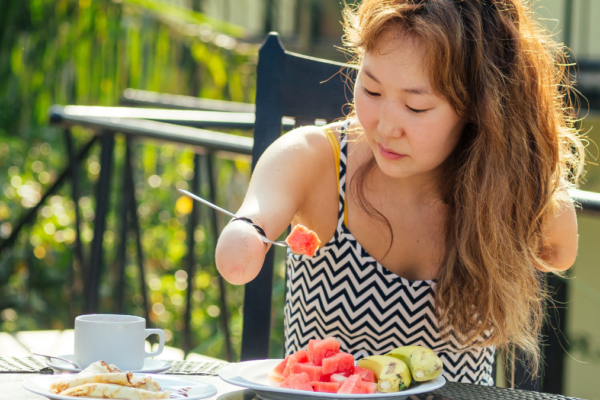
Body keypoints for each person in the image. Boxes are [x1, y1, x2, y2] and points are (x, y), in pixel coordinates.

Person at [215, 0, 585, 385]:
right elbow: (257, 213)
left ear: (480, 108)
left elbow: (559, 254)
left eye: (416, 106)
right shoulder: (313, 159)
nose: (386, 126)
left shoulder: (502, 187)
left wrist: (521, 168)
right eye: (372, 90)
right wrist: (247, 233)